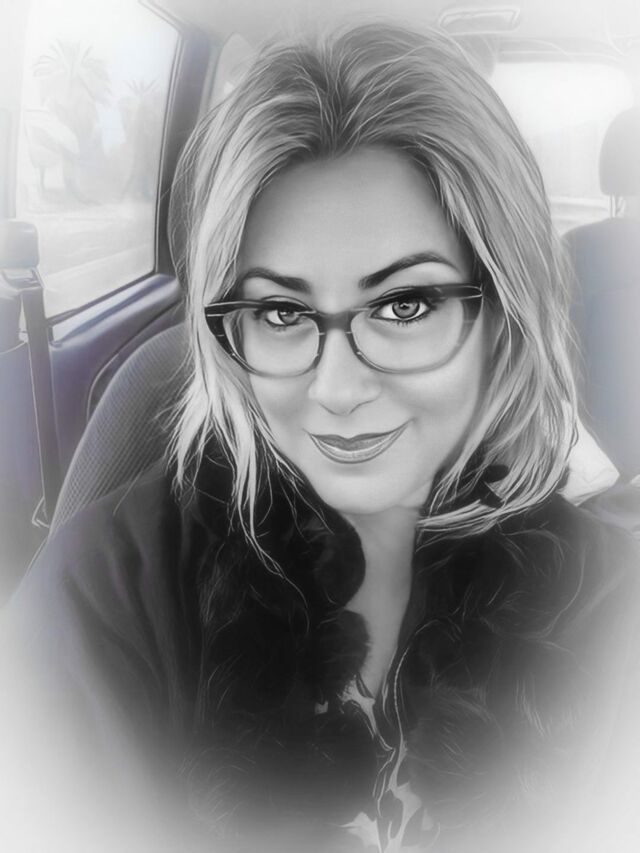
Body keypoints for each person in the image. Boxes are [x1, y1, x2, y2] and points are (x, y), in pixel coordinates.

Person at [2, 22, 640, 853]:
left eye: (404, 305)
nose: (337, 389)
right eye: (280, 311)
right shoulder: (105, 596)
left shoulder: (611, 609)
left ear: (502, 314)